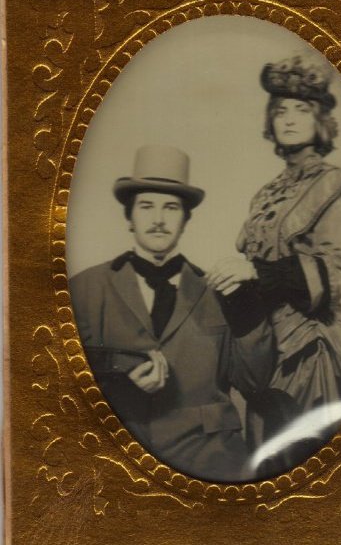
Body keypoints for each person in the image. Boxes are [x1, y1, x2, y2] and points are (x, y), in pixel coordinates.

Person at [69, 145, 274, 482]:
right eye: (146, 206)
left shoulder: (220, 290)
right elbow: (55, 389)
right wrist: (122, 390)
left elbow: (255, 382)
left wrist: (247, 301)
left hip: (213, 462)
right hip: (115, 465)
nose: (159, 220)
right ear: (129, 217)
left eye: (171, 207)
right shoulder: (84, 289)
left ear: (185, 219)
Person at [207, 55, 341, 473]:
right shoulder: (265, 194)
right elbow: (252, 268)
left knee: (299, 465)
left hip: (308, 350)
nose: (289, 119)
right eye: (281, 110)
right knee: (260, 458)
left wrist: (255, 273)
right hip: (261, 344)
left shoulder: (337, 187)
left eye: (301, 109)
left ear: (320, 119)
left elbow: (338, 274)